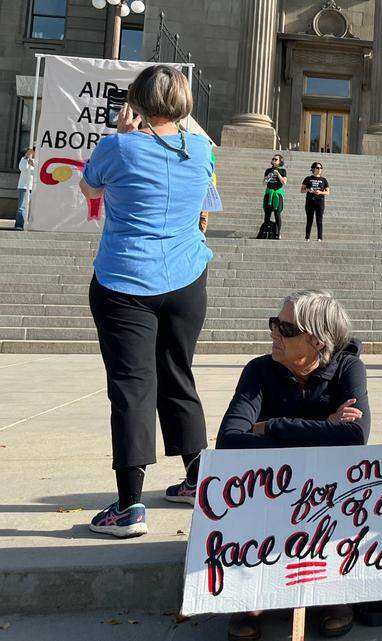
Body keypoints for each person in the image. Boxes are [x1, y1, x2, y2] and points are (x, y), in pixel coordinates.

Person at [78, 64, 214, 537]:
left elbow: (90, 187)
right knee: (178, 373)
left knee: (133, 388)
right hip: (186, 278)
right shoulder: (200, 149)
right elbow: (205, 204)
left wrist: (121, 132)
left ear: (135, 101)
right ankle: (197, 476)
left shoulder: (118, 146)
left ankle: (130, 506)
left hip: (125, 280)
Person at [216, 289, 369, 640]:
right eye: (274, 323)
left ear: (317, 341)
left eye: (286, 329)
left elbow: (354, 436)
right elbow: (229, 439)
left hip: (326, 496)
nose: (274, 333)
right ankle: (250, 590)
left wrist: (270, 426)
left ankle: (331, 591)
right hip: (270, 492)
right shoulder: (258, 370)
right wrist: (326, 426)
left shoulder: (348, 368)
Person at [301, 161, 330, 241]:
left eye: (321, 168)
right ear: (313, 169)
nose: (319, 169)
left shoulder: (324, 180)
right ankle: (307, 237)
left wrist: (320, 192)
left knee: (319, 220)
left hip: (320, 201)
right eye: (317, 168)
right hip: (310, 201)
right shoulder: (308, 179)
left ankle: (319, 237)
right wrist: (308, 190)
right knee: (309, 220)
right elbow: (302, 190)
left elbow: (328, 192)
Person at [263, 153, 287, 236]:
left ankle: (278, 233)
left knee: (277, 213)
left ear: (280, 161)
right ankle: (266, 232)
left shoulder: (283, 170)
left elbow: (284, 182)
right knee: (267, 213)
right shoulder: (268, 170)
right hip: (269, 192)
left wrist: (278, 174)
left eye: (275, 159)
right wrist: (267, 178)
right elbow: (264, 182)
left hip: (277, 193)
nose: (273, 160)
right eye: (273, 159)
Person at [15, 147, 34, 230]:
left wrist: (34, 164)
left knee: (32, 208)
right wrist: (26, 157)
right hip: (24, 187)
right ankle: (19, 225)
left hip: (33, 187)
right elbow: (22, 168)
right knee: (22, 207)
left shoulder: (36, 161)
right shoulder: (24, 160)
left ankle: (29, 224)